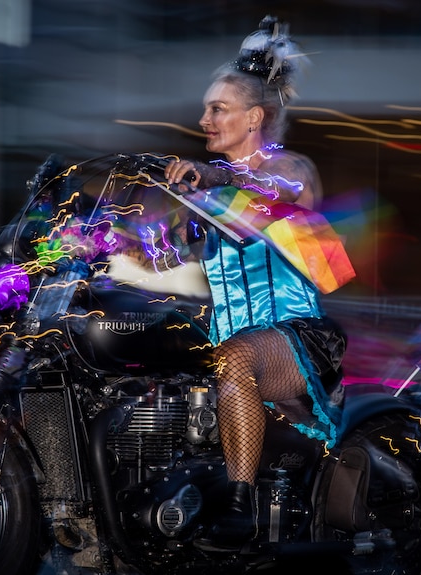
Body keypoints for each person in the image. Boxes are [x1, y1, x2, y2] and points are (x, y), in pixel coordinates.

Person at [163, 16, 351, 550]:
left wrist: (216, 177)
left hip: (298, 337)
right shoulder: (207, 188)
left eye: (217, 109)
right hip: (231, 338)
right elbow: (164, 254)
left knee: (232, 359)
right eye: (205, 109)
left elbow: (273, 189)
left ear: (255, 117)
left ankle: (238, 509)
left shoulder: (291, 169)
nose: (203, 119)